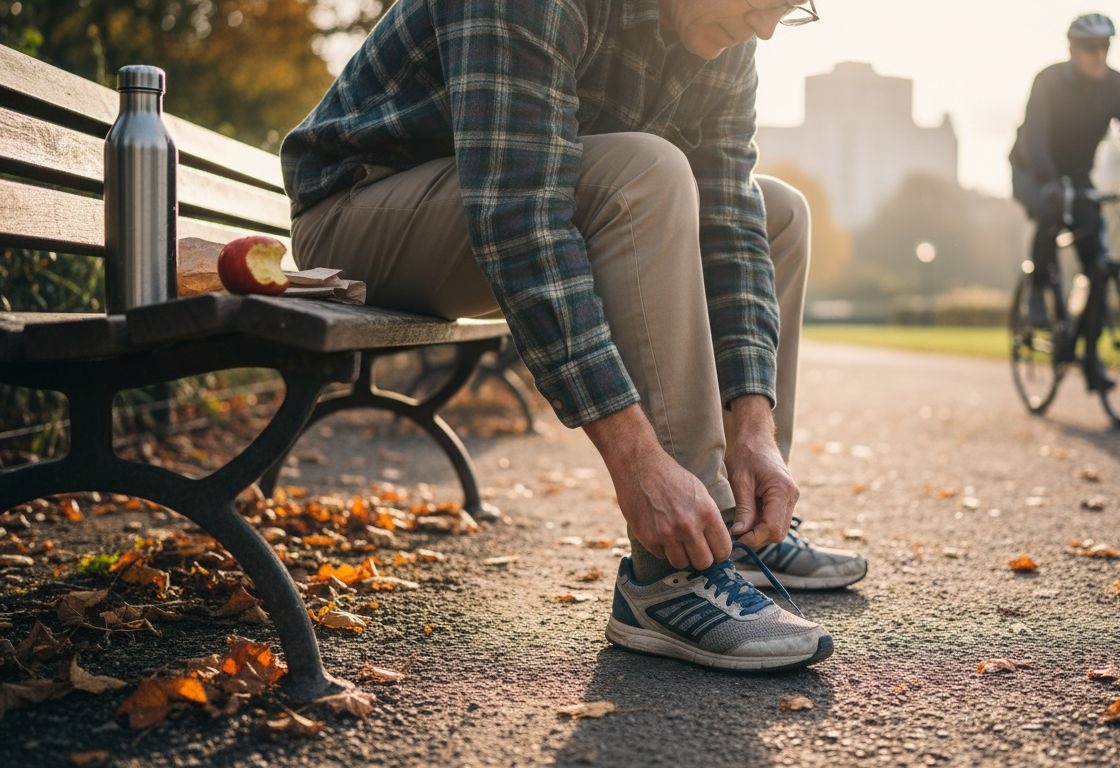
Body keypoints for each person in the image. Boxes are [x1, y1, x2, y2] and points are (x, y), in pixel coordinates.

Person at [280, 0, 866, 672]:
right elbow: (520, 219)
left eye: (787, 11)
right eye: (763, 3)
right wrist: (639, 464)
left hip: (501, 200)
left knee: (776, 212)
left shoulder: (725, 40)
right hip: (360, 214)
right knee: (646, 171)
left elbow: (730, 222)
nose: (765, 27)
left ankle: (734, 521)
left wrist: (754, 428)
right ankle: (671, 576)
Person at [1010, 13, 1120, 390]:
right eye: (1090, 48)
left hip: (1078, 174)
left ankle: (1090, 357)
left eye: (1105, 46)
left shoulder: (1117, 86)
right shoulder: (1049, 81)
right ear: (1073, 49)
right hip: (1032, 168)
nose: (1098, 54)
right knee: (1048, 211)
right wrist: (1050, 183)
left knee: (1097, 265)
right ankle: (1036, 293)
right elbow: (1035, 136)